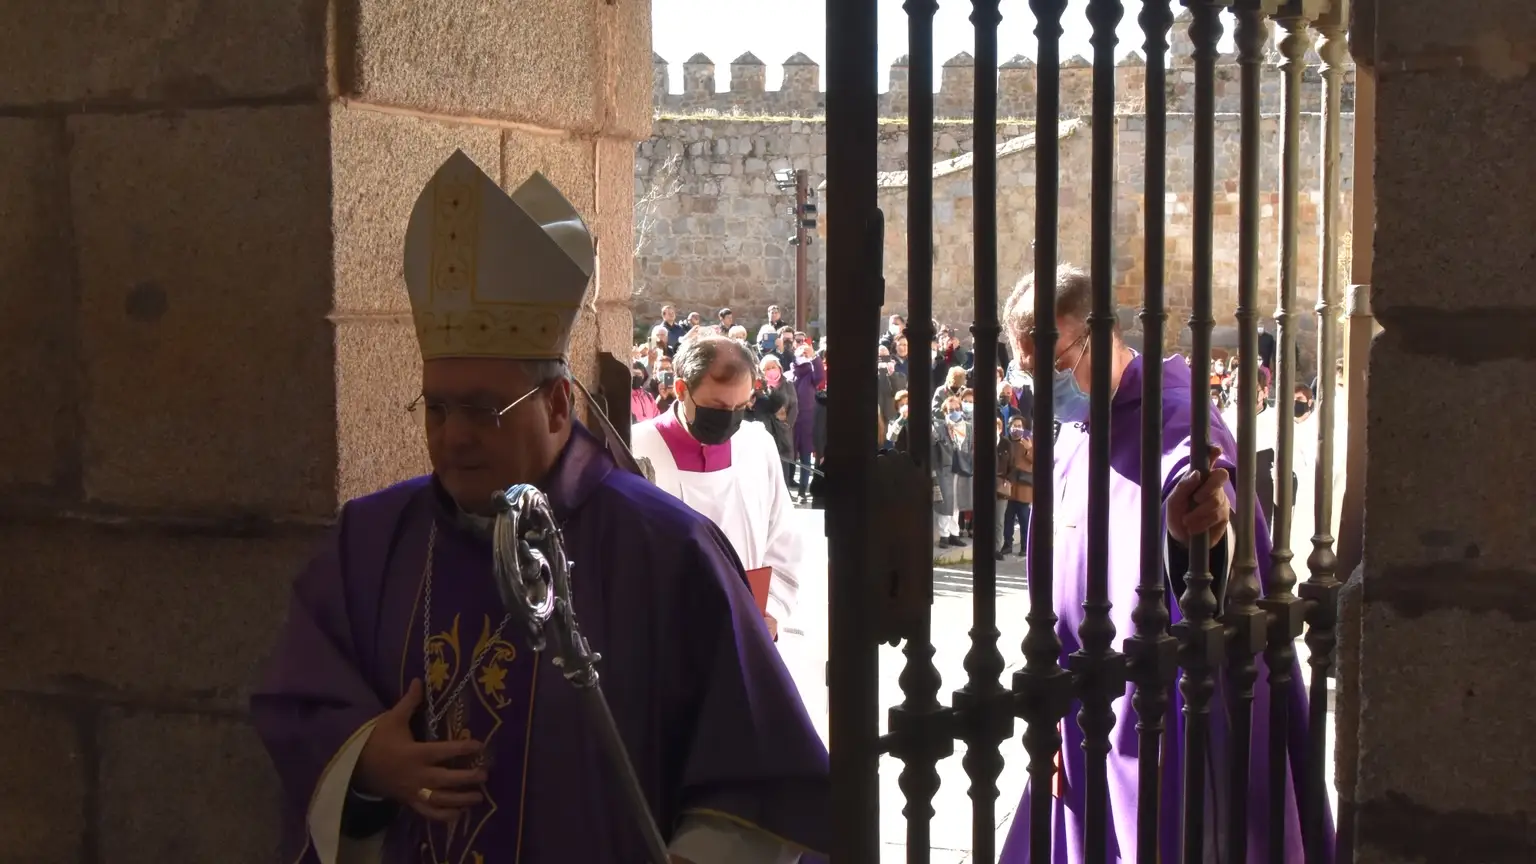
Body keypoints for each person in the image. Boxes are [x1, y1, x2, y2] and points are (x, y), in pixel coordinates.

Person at [251, 152, 828, 864]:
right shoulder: (371, 543)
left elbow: (759, 776)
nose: (452, 435)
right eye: (436, 407)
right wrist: (368, 761)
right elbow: (299, 696)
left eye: (483, 409)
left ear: (557, 405)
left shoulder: (667, 551)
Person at [997, 265, 1328, 864]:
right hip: (1083, 708)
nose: (1045, 380)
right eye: (1028, 368)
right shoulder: (1071, 437)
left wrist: (1195, 522)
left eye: (1057, 360)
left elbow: (1197, 477)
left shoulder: (1176, 412)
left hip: (1164, 708)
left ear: (1102, 332)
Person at [631, 332, 804, 642]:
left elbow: (783, 539)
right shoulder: (636, 448)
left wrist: (772, 612)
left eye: (740, 406)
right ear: (681, 389)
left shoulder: (757, 445)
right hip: (662, 638)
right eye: (716, 406)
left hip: (745, 631)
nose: (728, 418)